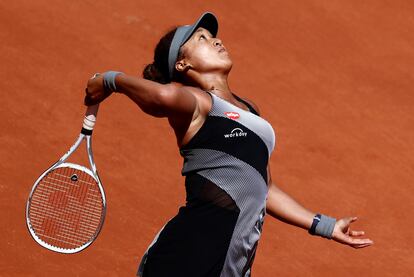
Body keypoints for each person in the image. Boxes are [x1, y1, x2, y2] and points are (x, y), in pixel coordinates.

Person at [84, 12, 373, 277]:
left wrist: (325, 225)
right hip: (189, 254)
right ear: (182, 64)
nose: (216, 40)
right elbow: (163, 98)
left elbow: (265, 188)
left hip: (232, 262)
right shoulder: (198, 103)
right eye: (202, 39)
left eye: (213, 37)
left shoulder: (250, 110)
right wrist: (111, 80)